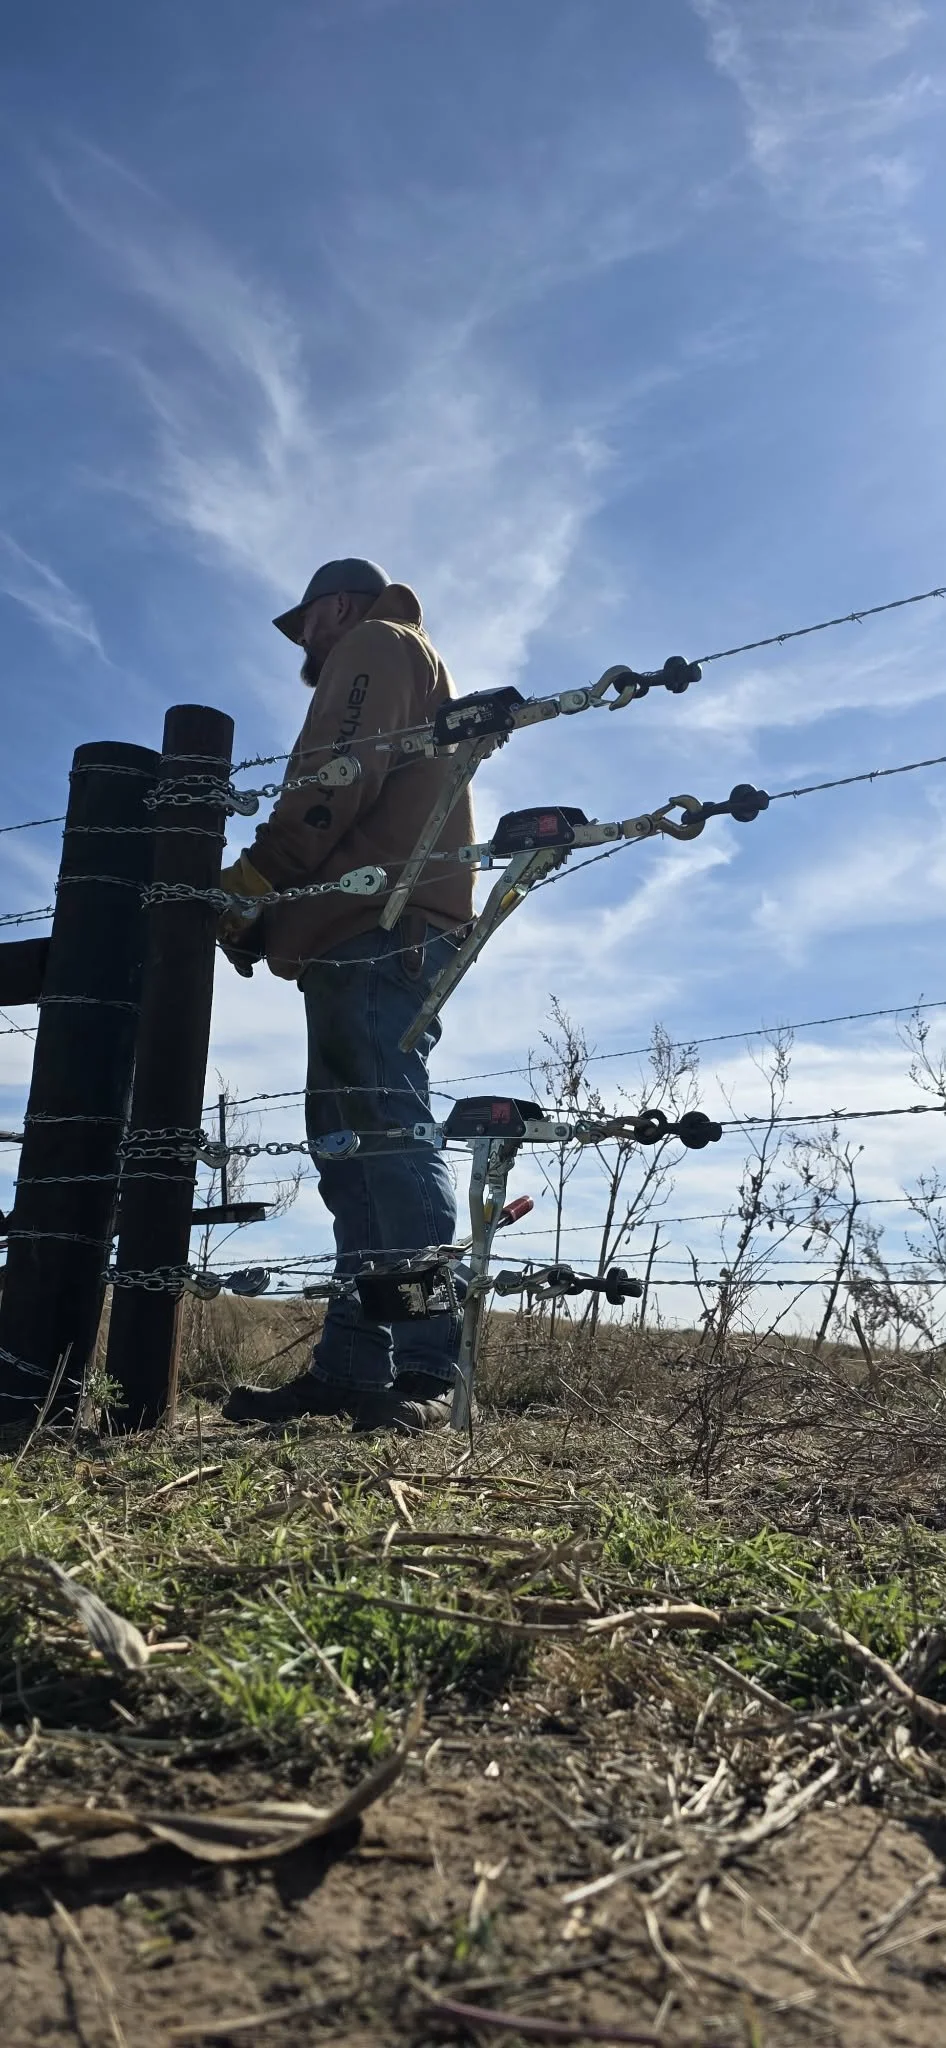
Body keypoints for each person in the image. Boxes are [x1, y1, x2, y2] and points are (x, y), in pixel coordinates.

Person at [220, 558, 474, 1433]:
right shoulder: (397, 654)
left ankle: (429, 1367)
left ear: (334, 606)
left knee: (390, 1143)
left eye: (305, 625)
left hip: (381, 925)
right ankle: (355, 1369)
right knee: (354, 1157)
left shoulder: (375, 644)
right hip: (356, 929)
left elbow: (337, 773)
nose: (305, 642)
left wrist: (260, 875)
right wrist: (273, 916)